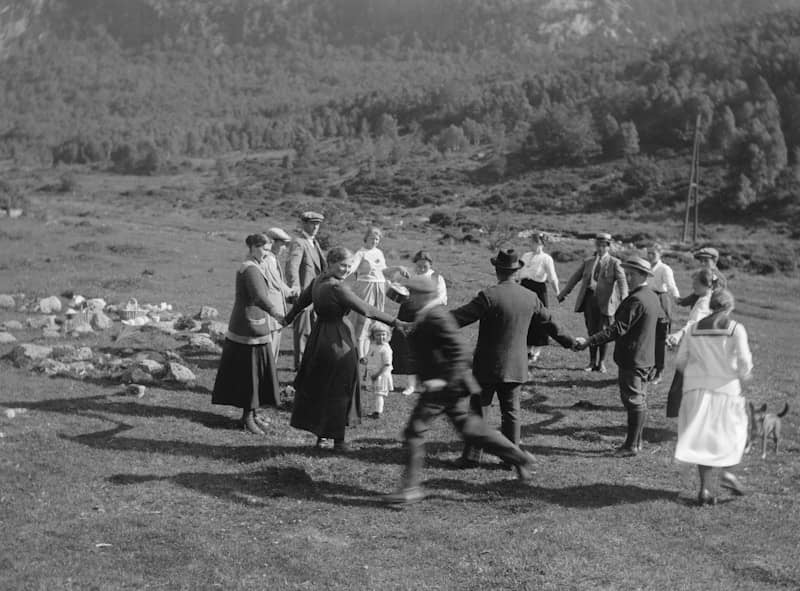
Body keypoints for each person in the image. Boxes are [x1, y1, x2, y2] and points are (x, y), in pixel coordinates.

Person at [383, 276, 537, 505]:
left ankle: (410, 489)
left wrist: (442, 381)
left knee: (415, 433)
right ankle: (520, 458)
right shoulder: (428, 314)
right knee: (470, 429)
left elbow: (461, 352)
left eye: (412, 294)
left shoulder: (437, 316)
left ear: (423, 295)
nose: (408, 298)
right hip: (448, 385)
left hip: (444, 386)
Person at [450, 248, 576, 468]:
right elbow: (551, 324)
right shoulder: (530, 297)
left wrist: (431, 322)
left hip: (487, 365)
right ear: (516, 272)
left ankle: (472, 457)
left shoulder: (488, 296)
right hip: (516, 365)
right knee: (511, 413)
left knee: (479, 410)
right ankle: (511, 459)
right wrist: (571, 342)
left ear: (497, 271)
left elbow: (459, 317)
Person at [284, 246, 405, 452]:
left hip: (319, 337)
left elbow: (300, 303)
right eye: (342, 265)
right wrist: (395, 321)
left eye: (349, 266)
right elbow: (366, 309)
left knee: (322, 386)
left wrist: (286, 319)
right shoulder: (337, 288)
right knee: (341, 387)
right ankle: (338, 441)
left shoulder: (317, 281)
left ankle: (321, 437)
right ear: (331, 263)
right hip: (338, 340)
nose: (346, 270)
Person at [674, 289, 753, 506]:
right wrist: (743, 374)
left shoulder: (692, 329)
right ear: (729, 307)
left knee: (703, 439)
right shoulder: (736, 329)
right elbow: (745, 361)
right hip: (726, 389)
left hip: (695, 389)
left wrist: (696, 373)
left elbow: (680, 362)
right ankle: (727, 472)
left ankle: (705, 489)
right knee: (733, 433)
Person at [575, 256, 660, 456]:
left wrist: (589, 341)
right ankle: (636, 443)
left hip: (633, 358)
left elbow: (616, 329)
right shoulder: (652, 296)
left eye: (631, 274)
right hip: (646, 357)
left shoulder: (636, 300)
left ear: (642, 275)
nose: (627, 277)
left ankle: (630, 446)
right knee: (640, 399)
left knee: (633, 401)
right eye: (626, 273)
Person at [212, 233, 285, 435]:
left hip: (256, 323)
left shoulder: (257, 265)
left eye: (269, 249)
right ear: (253, 247)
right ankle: (247, 417)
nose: (266, 253)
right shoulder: (249, 268)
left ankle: (252, 413)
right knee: (249, 374)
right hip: (247, 326)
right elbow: (259, 296)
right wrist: (276, 312)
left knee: (256, 372)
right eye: (263, 248)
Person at [558, 232, 628, 373]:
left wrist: (625, 299)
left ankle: (601, 362)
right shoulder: (588, 261)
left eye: (604, 246)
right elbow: (574, 278)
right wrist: (563, 293)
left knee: (603, 332)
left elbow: (622, 282)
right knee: (591, 331)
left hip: (606, 302)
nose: (601, 248)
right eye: (599, 245)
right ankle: (591, 362)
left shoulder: (615, 263)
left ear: (608, 247)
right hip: (590, 300)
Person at [390, 249, 447, 396]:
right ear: (415, 264)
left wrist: (426, 308)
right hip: (407, 316)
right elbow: (395, 287)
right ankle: (411, 385)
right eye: (419, 265)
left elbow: (442, 298)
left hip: (427, 317)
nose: (421, 269)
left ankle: (427, 382)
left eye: (424, 266)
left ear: (430, 265)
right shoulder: (410, 274)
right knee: (408, 350)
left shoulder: (437, 277)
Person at [346, 227, 407, 359]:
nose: (375, 241)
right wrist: (341, 274)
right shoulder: (361, 253)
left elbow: (384, 271)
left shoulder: (379, 252)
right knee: (363, 318)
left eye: (377, 239)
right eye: (372, 238)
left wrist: (398, 268)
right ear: (366, 238)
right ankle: (359, 353)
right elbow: (352, 268)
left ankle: (370, 350)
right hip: (365, 286)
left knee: (376, 318)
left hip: (379, 286)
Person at [664, 268, 715, 418]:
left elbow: (694, 323)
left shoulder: (705, 303)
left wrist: (679, 334)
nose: (692, 286)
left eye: (695, 283)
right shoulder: (704, 297)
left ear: (706, 285)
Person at [285, 211, 326, 370]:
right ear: (303, 224)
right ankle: (300, 366)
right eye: (312, 223)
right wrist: (295, 287)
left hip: (317, 294)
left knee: (315, 330)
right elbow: (292, 267)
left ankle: (311, 363)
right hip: (304, 294)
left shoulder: (314, 243)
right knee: (302, 332)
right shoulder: (299, 242)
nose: (315, 227)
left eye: (317, 224)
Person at [519, 232, 560, 363]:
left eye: (532, 241)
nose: (530, 243)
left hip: (538, 289)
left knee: (539, 319)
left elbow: (552, 277)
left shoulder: (546, 258)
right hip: (524, 287)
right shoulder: (525, 256)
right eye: (530, 241)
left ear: (540, 243)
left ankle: (535, 351)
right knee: (525, 317)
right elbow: (518, 271)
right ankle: (526, 348)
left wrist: (558, 292)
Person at [647, 242, 680, 384]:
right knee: (647, 335)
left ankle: (659, 370)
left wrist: (678, 298)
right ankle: (648, 367)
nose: (650, 256)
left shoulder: (664, 269)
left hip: (661, 299)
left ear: (660, 254)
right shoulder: (646, 266)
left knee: (660, 337)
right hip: (648, 298)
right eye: (648, 253)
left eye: (653, 254)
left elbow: (671, 285)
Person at [262, 227, 297, 362]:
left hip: (276, 315)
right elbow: (276, 284)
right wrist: (291, 292)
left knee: (272, 355)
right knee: (269, 356)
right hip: (271, 315)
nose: (284, 248)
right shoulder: (267, 260)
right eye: (282, 244)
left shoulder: (272, 259)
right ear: (272, 242)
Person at [365, 322, 393, 419]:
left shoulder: (386, 349)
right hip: (374, 373)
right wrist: (365, 361)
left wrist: (377, 374)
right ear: (373, 335)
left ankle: (377, 412)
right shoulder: (373, 346)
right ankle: (376, 410)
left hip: (381, 375)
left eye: (383, 334)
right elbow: (371, 357)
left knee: (379, 394)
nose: (381, 337)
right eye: (378, 334)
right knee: (376, 393)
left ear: (387, 335)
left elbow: (387, 364)